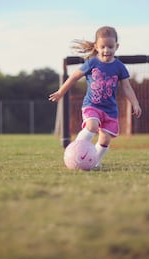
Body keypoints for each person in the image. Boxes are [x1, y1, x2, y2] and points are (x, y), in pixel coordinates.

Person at [49, 26, 142, 168]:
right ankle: (76, 153)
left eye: (110, 47)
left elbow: (127, 87)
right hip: (92, 105)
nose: (106, 50)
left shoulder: (119, 67)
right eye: (103, 47)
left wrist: (135, 103)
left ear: (116, 46)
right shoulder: (92, 63)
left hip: (110, 110)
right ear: (96, 47)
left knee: (105, 140)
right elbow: (73, 77)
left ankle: (93, 161)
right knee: (92, 126)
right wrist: (61, 92)